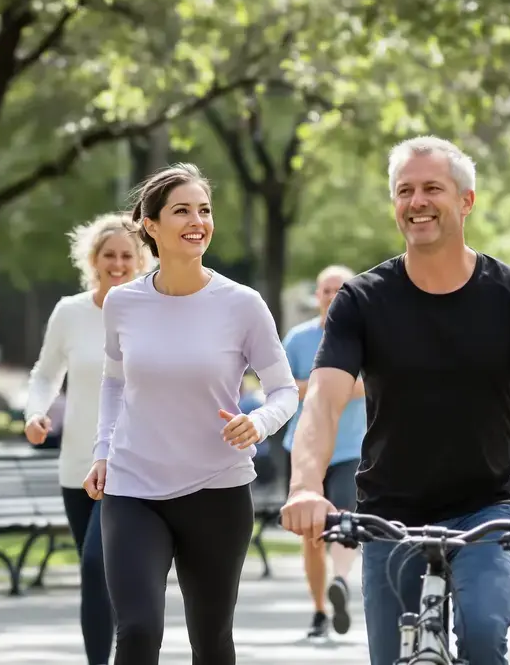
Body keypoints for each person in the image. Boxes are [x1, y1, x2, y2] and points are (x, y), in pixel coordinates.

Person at [279, 135, 510, 665]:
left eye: (433, 188)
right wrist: (305, 487)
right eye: (405, 190)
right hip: (390, 513)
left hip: (488, 511)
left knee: (481, 639)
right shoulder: (361, 300)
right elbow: (322, 401)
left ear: (466, 201)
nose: (417, 201)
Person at [84, 163, 298, 665]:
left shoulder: (242, 304)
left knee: (211, 640)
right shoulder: (123, 302)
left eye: (204, 210)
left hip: (217, 491)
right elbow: (114, 381)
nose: (197, 220)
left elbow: (285, 391)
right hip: (134, 488)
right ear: (151, 226)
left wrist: (259, 422)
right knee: (136, 630)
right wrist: (102, 452)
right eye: (182, 210)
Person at [22, 212, 151, 665]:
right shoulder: (69, 312)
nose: (117, 264)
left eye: (126, 256)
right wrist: (35, 412)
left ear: (140, 260)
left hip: (131, 467)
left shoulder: (150, 309)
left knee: (100, 566)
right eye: (109, 255)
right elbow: (44, 375)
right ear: (92, 260)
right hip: (76, 467)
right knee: (95, 574)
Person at [281, 264, 366, 640]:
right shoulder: (298, 339)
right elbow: (281, 387)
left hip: (351, 448)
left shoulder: (366, 335)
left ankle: (342, 581)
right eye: (326, 290)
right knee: (312, 535)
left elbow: (374, 385)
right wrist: (330, 386)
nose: (332, 296)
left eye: (340, 289)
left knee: (345, 520)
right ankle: (319, 611)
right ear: (317, 295)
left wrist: (318, 386)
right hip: (305, 450)